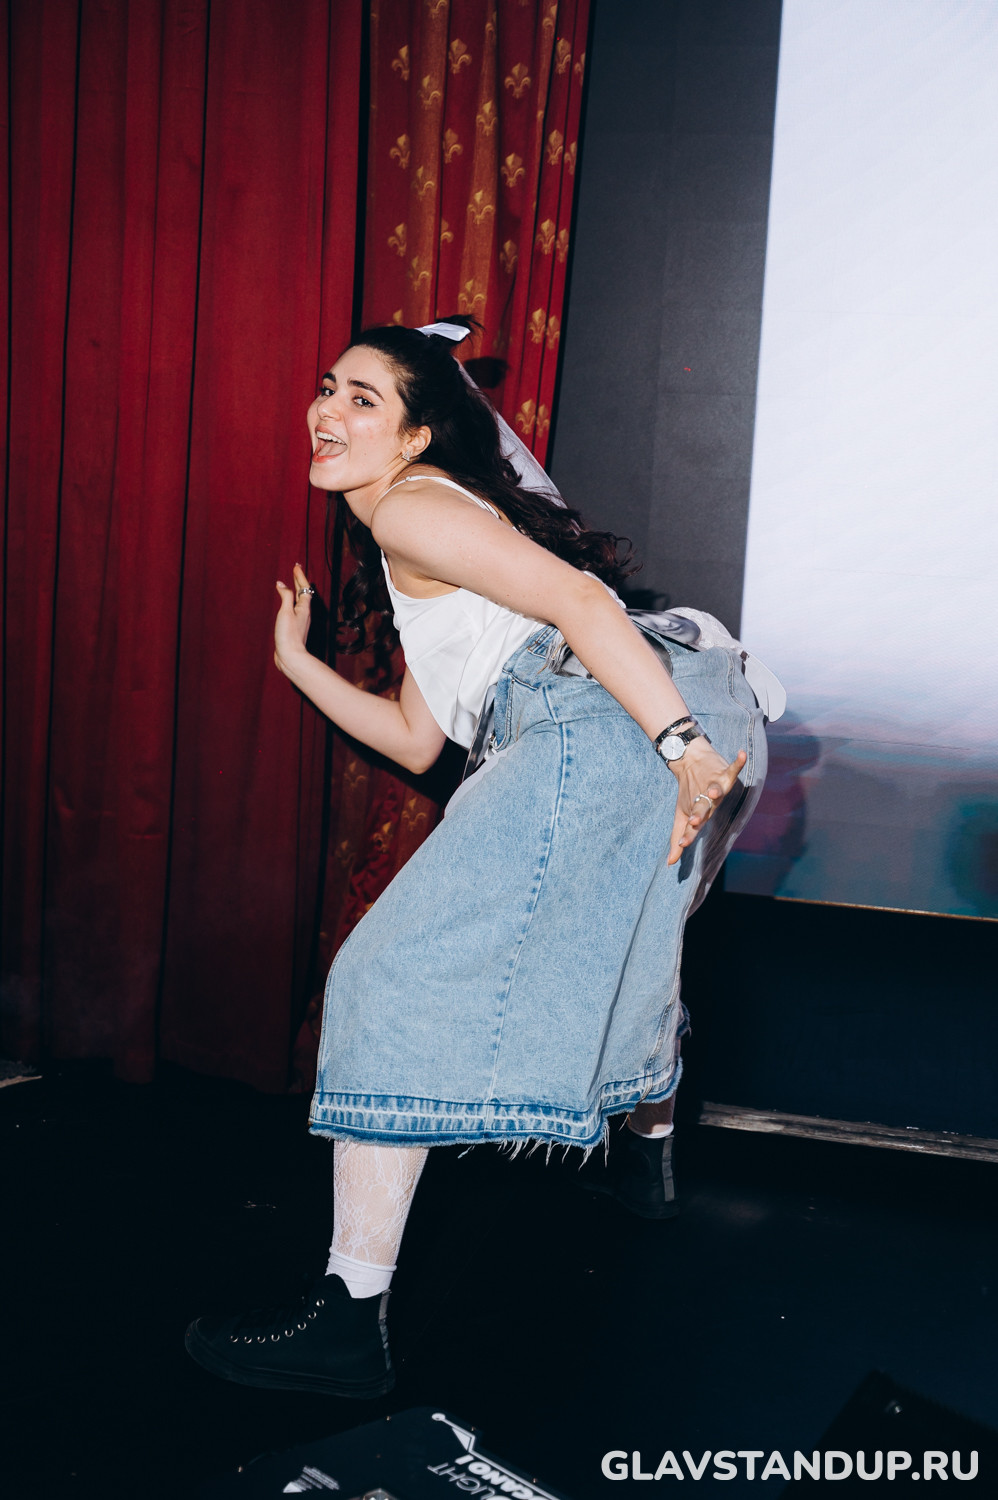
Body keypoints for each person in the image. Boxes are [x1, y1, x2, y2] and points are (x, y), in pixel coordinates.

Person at [184, 318, 768, 1398]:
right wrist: (294, 662)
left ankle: (345, 1322)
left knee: (384, 978)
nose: (327, 411)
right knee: (627, 950)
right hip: (681, 703)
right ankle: (644, 1160)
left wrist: (683, 754)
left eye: (364, 399)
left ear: (416, 439)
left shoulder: (410, 507)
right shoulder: (435, 533)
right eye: (328, 387)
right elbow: (419, 739)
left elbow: (582, 605)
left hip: (619, 719)